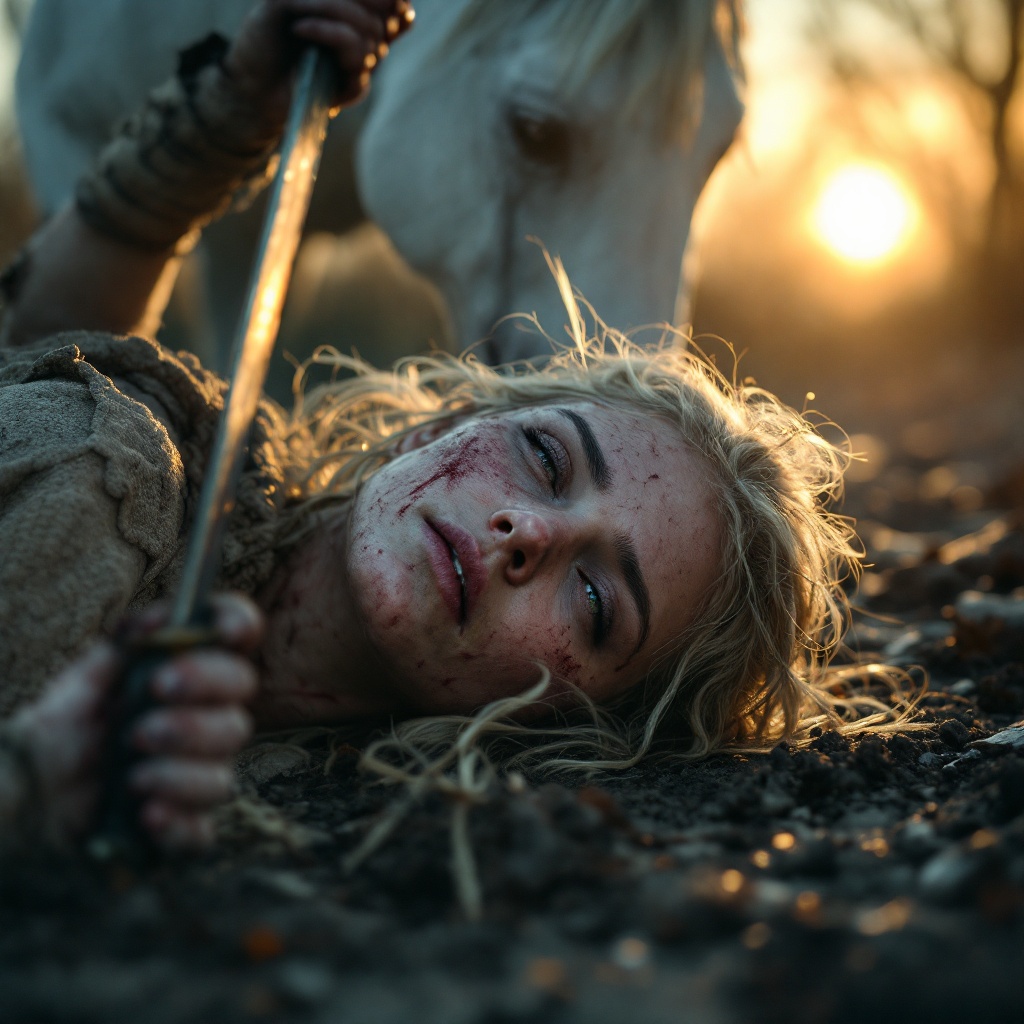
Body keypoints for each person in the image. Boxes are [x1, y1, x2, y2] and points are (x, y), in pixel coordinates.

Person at [0, 0, 900, 852]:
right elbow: (38, 354)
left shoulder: (276, 780)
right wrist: (230, 117)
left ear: (576, 718)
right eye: (545, 456)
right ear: (436, 423)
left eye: (595, 603)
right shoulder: (126, 463)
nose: (530, 532)